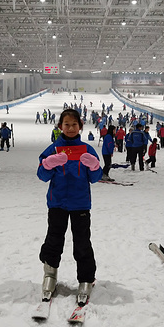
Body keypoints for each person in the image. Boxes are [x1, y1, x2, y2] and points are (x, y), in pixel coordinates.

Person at [37, 109, 103, 307]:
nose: (71, 128)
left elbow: (96, 178)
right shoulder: (53, 149)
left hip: (80, 203)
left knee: (82, 242)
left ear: (80, 126)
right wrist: (48, 164)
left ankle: (86, 278)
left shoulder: (87, 149)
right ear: (60, 127)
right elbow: (42, 175)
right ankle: (50, 275)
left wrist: (94, 167)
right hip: (57, 203)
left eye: (74, 124)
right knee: (53, 239)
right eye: (66, 124)